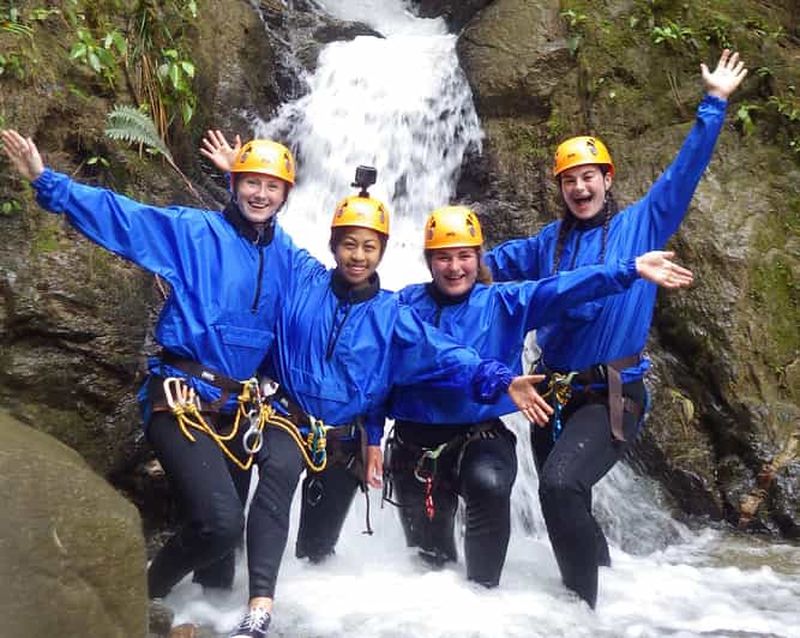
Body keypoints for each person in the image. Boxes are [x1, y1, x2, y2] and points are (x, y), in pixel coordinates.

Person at [219, 174, 555, 638]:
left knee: (316, 548)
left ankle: (323, 618)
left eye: (370, 247)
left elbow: (437, 353)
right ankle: (260, 605)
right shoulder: (303, 276)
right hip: (288, 420)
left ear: (383, 252)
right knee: (275, 486)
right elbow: (265, 229)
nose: (358, 255)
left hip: (346, 439)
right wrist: (235, 187)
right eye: (349, 245)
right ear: (333, 245)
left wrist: (497, 379)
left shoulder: (392, 311)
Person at [482, 50, 748, 608]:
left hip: (612, 394)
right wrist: (442, 257)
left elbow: (684, 173)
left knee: (559, 485)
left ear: (607, 179)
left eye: (588, 177)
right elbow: (479, 269)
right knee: (564, 499)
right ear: (560, 188)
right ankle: (595, 592)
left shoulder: (642, 224)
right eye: (569, 181)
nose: (579, 188)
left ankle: (584, 613)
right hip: (548, 396)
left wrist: (713, 104)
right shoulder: (545, 245)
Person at [0, 129, 306, 601]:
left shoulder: (285, 256)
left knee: (220, 567)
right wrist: (47, 181)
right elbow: (125, 219)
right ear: (233, 185)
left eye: (272, 186)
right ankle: (143, 598)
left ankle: (201, 619)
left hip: (237, 408)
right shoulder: (193, 232)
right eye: (251, 183)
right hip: (180, 397)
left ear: (286, 194)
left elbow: (336, 287)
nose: (261, 194)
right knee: (222, 524)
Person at [383, 205, 693, 588]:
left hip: (478, 439)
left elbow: (563, 288)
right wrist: (365, 435)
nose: (454, 267)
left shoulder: (504, 302)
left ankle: (484, 604)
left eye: (464, 256)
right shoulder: (402, 305)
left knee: (489, 487)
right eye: (443, 257)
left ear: (480, 258)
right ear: (429, 261)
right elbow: (386, 366)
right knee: (428, 571)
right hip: (415, 448)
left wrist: (628, 269)